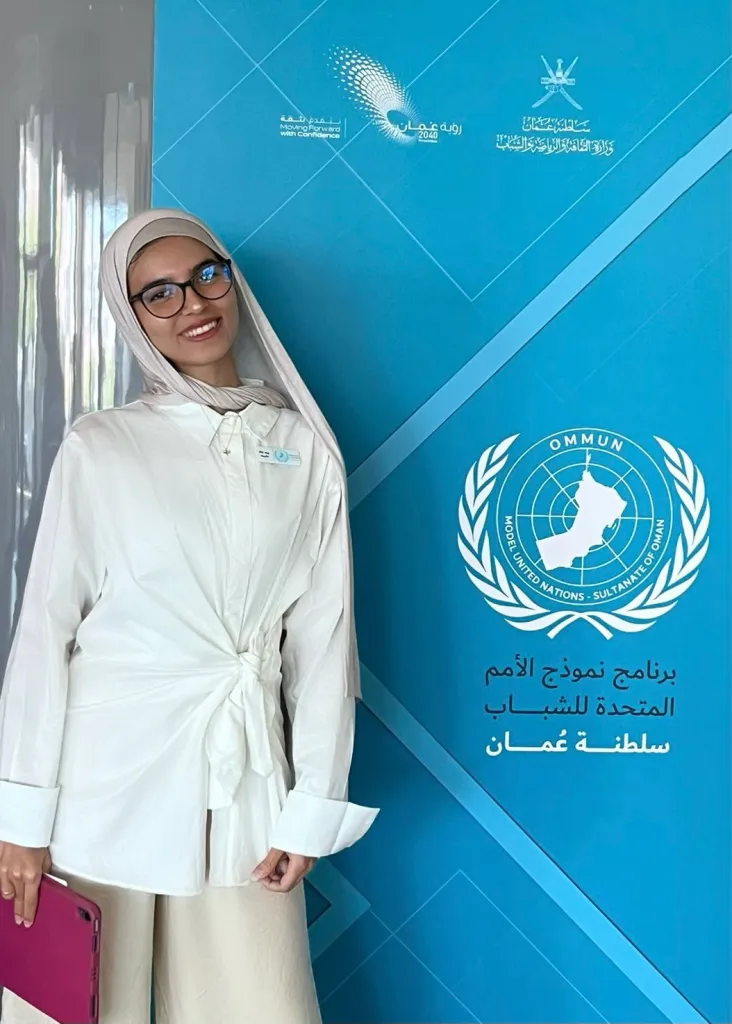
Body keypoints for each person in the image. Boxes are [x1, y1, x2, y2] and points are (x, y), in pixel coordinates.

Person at [0, 209, 378, 1024]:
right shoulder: (102, 446)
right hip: (103, 782)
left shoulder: (304, 448)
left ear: (231, 278)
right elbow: (45, 636)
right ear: (131, 317)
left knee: (255, 1003)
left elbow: (321, 641)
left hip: (245, 778)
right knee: (92, 999)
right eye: (157, 294)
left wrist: (312, 803)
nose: (193, 304)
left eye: (207, 275)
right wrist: (21, 818)